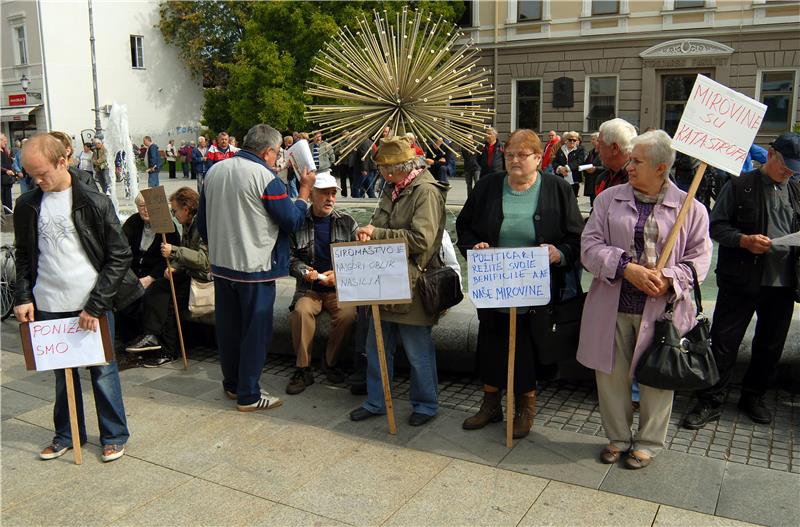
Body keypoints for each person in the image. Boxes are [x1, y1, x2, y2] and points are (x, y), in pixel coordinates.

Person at [577, 130, 712, 470]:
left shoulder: (691, 208)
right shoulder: (608, 199)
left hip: (663, 311)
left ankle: (649, 443)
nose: (629, 166)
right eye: (630, 159)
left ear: (661, 167)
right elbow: (589, 247)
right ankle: (618, 438)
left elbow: (700, 260)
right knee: (610, 378)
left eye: (637, 161)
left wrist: (669, 279)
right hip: (613, 304)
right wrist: (626, 268)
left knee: (658, 377)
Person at [14, 133, 138, 462]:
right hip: (48, 304)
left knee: (104, 372)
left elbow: (120, 255)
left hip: (90, 303)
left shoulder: (93, 201)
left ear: (62, 161)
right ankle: (67, 434)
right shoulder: (26, 205)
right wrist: (23, 296)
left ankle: (114, 434)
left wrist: (96, 305)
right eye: (31, 174)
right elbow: (23, 255)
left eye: (42, 173)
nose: (37, 180)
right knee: (61, 374)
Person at [456, 128, 584, 439]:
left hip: (536, 290)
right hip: (495, 285)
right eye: (509, 154)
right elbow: (464, 226)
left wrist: (559, 253)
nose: (514, 160)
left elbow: (577, 238)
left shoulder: (555, 188)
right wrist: (476, 247)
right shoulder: (488, 187)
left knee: (526, 347)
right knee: (491, 341)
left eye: (522, 155)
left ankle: (526, 407)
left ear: (539, 158)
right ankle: (490, 404)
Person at [683, 132, 800, 430]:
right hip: (741, 279)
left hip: (783, 283)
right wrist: (744, 240)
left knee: (771, 345)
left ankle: (753, 396)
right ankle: (709, 399)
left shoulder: (796, 189)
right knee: (724, 342)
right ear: (771, 154)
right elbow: (715, 226)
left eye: (794, 170)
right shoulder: (739, 185)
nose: (788, 173)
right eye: (785, 166)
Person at [198, 123, 315, 411]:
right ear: (268, 152)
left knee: (228, 329)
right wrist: (303, 193)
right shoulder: (265, 178)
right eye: (276, 155)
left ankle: (232, 384)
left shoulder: (214, 171)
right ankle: (249, 393)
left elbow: (203, 224)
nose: (277, 160)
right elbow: (291, 221)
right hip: (255, 268)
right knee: (255, 331)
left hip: (223, 266)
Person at [348, 136, 448, 427]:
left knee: (418, 351)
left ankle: (426, 404)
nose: (379, 172)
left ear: (396, 168)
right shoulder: (393, 188)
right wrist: (368, 232)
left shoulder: (425, 191)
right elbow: (380, 222)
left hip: (414, 282)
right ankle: (376, 401)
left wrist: (376, 234)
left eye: (382, 168)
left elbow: (422, 239)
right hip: (384, 278)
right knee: (377, 345)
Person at [286, 171, 358, 394]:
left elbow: (359, 258)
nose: (330, 198)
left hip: (339, 289)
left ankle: (330, 362)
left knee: (349, 315)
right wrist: (304, 271)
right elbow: (288, 258)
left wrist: (340, 273)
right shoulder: (298, 224)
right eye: (324, 193)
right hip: (309, 289)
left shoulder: (347, 222)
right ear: (311, 196)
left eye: (333, 194)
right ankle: (303, 368)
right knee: (301, 312)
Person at [127, 187, 210, 366]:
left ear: (186, 209)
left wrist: (174, 251)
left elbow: (203, 260)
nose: (173, 214)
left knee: (166, 298)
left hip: (201, 279)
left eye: (175, 210)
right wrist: (174, 266)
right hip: (187, 272)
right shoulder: (187, 223)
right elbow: (186, 253)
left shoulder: (202, 225)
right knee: (159, 289)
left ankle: (165, 347)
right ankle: (152, 337)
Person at [118, 192, 180, 342]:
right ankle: (126, 337)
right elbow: (121, 247)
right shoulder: (133, 222)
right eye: (141, 206)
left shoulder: (166, 226)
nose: (145, 210)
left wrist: (151, 277)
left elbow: (171, 257)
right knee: (120, 289)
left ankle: (148, 336)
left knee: (150, 294)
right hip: (133, 272)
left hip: (156, 273)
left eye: (148, 206)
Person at [594, 118, 637, 197]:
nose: (596, 149)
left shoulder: (639, 181)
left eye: (600, 143)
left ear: (614, 148)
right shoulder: (603, 178)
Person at [551, 131, 586, 197]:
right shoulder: (561, 149)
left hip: (574, 179)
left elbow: (580, 161)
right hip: (561, 178)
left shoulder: (580, 150)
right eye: (570, 140)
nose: (572, 142)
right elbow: (555, 162)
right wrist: (560, 168)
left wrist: (566, 168)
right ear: (566, 140)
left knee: (572, 198)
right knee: (561, 198)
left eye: (574, 140)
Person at [582, 132, 603, 207]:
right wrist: (584, 168)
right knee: (592, 203)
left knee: (598, 204)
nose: (592, 141)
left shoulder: (604, 152)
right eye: (592, 139)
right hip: (590, 181)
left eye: (593, 139)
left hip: (599, 181)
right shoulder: (591, 151)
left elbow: (607, 167)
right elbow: (586, 163)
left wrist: (596, 169)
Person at [1, 134, 16, 211]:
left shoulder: (5, 151)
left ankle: (9, 214)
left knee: (8, 201)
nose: (6, 142)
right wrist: (6, 171)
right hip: (2, 180)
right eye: (4, 140)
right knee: (3, 201)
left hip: (7, 181)